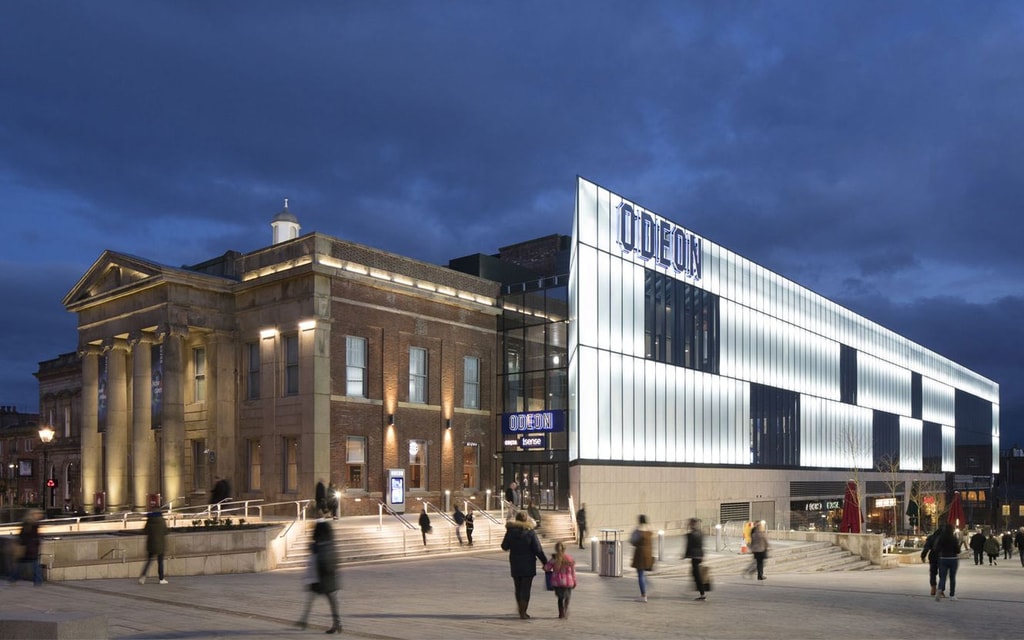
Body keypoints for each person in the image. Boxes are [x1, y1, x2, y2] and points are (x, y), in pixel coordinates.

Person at [500, 511, 548, 619]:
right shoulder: (530, 532)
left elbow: (504, 546)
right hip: (528, 563)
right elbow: (538, 550)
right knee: (526, 588)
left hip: (515, 563)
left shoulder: (510, 531)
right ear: (526, 520)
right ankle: (523, 612)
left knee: (518, 587)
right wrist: (546, 563)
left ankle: (520, 609)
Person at [298, 520, 341, 634]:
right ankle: (336, 623)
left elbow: (317, 560)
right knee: (331, 600)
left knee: (314, 599)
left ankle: (304, 620)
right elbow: (335, 561)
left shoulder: (320, 545)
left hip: (321, 577)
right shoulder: (328, 544)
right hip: (326, 577)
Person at [8, 509, 43, 586]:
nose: (39, 515)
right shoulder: (28, 524)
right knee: (29, 565)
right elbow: (23, 536)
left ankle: (37, 581)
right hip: (28, 548)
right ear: (33, 515)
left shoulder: (35, 524)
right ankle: (38, 581)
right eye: (37, 513)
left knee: (28, 565)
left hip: (31, 548)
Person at [544, 541, 577, 619]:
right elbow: (573, 571)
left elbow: (547, 568)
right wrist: (574, 581)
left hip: (557, 582)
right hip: (568, 581)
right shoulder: (569, 559)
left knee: (560, 598)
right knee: (567, 596)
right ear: (564, 549)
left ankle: (561, 613)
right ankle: (566, 610)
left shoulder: (553, 559)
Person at [138, 511, 168, 585]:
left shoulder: (149, 521)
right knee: (160, 562)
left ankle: (143, 577)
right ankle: (161, 579)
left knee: (148, 561)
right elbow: (166, 531)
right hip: (160, 545)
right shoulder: (162, 521)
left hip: (151, 545)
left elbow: (145, 531)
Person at [629, 514, 654, 602]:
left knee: (640, 574)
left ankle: (643, 595)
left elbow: (632, 541)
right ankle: (646, 590)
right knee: (643, 574)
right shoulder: (649, 530)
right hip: (648, 554)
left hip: (640, 554)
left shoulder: (638, 531)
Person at [935, 523, 960, 601]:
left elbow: (936, 548)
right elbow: (958, 550)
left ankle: (940, 589)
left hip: (943, 558)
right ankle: (952, 595)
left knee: (942, 577)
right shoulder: (954, 538)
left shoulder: (941, 538)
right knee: (952, 577)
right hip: (953, 558)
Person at [685, 518, 707, 601]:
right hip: (700, 555)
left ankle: (702, 593)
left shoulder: (691, 534)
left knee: (696, 575)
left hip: (694, 556)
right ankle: (700, 590)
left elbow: (688, 546)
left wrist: (685, 555)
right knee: (695, 573)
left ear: (691, 524)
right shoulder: (700, 533)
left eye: (689, 523)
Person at [920, 527, 941, 596]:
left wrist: (923, 556)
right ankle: (941, 589)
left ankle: (933, 587)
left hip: (933, 557)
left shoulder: (931, 538)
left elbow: (926, 548)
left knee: (933, 573)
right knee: (942, 574)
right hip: (942, 558)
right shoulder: (945, 538)